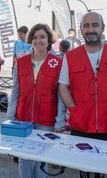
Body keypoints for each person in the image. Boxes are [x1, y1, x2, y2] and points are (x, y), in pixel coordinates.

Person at [7, 23, 62, 178]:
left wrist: (59, 120)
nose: (39, 41)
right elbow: (15, 90)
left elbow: (60, 94)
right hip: (23, 117)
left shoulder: (57, 62)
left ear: (49, 40)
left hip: (46, 118)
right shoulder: (21, 62)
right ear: (31, 40)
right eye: (35, 37)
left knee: (41, 157)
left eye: (43, 37)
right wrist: (11, 115)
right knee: (23, 157)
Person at [59, 12, 107, 178]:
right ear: (81, 30)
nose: (91, 29)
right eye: (86, 26)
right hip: (81, 125)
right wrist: (74, 109)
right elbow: (63, 86)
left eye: (95, 25)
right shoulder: (70, 57)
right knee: (85, 172)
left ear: (102, 28)